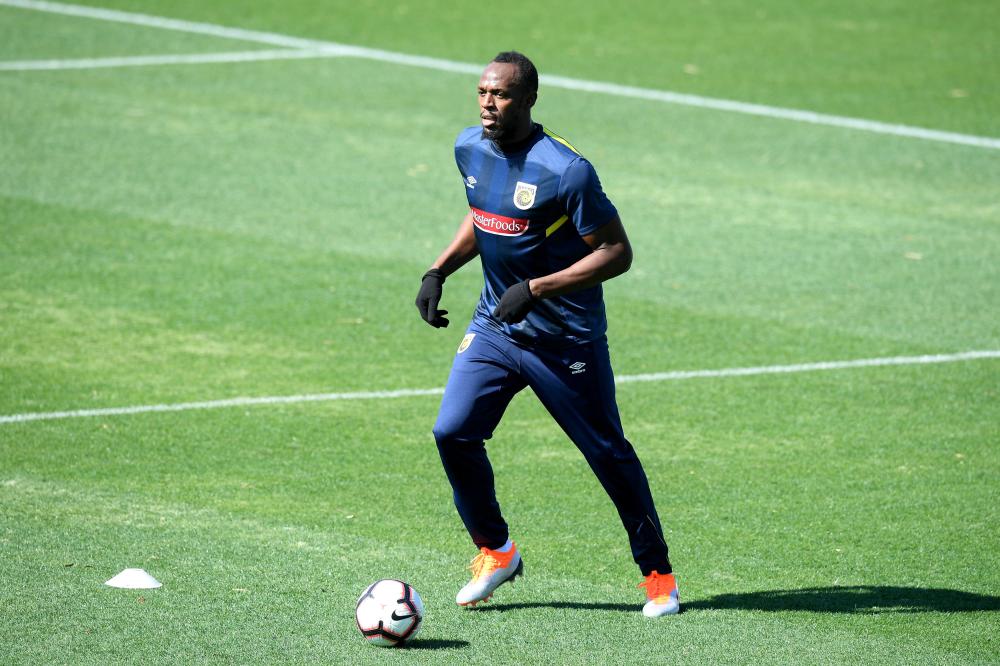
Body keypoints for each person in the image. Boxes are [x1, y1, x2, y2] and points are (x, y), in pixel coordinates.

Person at [415, 51, 679, 618]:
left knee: (606, 453)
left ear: (529, 99)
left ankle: (658, 576)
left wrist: (537, 288)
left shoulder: (566, 171)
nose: (489, 103)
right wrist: (438, 270)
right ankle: (496, 551)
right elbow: (484, 213)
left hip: (564, 339)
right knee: (452, 432)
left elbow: (616, 253)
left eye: (502, 94)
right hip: (495, 325)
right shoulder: (468, 147)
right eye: (483, 92)